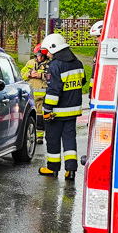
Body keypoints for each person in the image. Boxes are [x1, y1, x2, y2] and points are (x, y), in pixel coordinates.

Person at [39, 32, 86, 181]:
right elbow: (82, 82)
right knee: (69, 139)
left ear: (54, 48)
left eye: (49, 52)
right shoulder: (78, 63)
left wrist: (47, 110)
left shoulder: (55, 65)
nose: (49, 55)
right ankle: (70, 170)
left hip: (57, 112)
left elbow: (53, 91)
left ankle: (52, 169)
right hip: (73, 110)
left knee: (52, 139)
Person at [21, 44, 51, 142]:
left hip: (43, 97)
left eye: (42, 56)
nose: (40, 58)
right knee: (29, 116)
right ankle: (29, 134)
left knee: (40, 116)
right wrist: (29, 74)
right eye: (38, 55)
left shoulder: (49, 64)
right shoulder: (30, 63)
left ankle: (39, 136)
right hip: (30, 95)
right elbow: (21, 74)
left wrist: (40, 75)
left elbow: (52, 76)